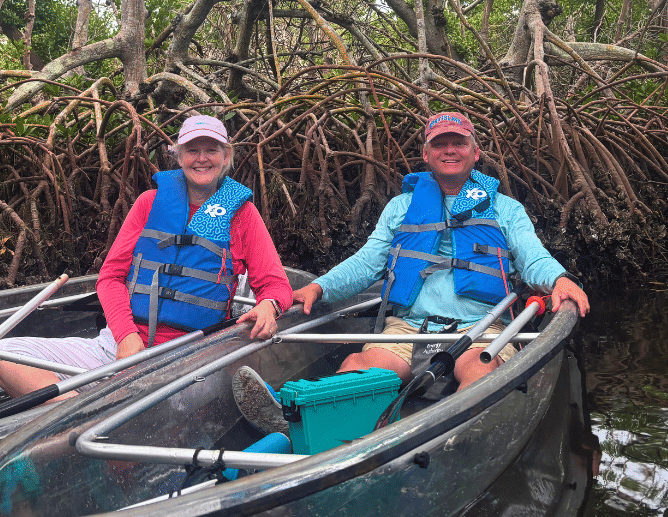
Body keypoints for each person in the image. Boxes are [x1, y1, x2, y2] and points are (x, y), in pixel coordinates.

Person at [232, 110, 589, 434]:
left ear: (476, 152)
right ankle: (298, 421)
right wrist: (319, 287)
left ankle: (452, 437)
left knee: (480, 370)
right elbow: (367, 262)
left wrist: (560, 280)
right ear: (426, 155)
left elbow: (533, 258)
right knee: (361, 366)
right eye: (440, 144)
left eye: (459, 143)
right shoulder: (400, 207)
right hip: (408, 328)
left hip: (480, 327)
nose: (450, 151)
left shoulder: (505, 208)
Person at [0, 115, 293, 398]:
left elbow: (276, 286)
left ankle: (90, 416)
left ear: (226, 156)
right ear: (179, 156)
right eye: (192, 150)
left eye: (211, 150)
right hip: (122, 346)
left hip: (191, 358)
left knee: (172, 399)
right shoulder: (148, 203)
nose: (201, 159)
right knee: (0, 356)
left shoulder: (242, 215)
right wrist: (126, 336)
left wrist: (269, 305)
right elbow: (110, 278)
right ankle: (75, 419)